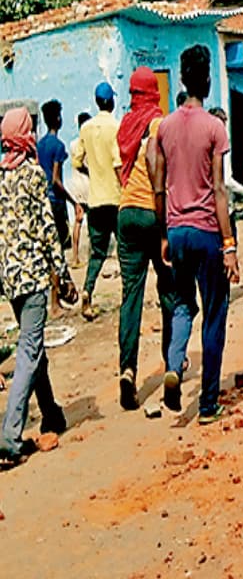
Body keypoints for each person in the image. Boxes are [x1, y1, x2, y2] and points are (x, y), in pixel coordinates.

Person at [152, 45, 240, 426]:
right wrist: (230, 244)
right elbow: (219, 189)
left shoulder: (165, 128)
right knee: (215, 313)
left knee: (184, 305)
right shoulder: (214, 127)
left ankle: (174, 364)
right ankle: (206, 404)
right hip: (207, 231)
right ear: (206, 79)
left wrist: (164, 235)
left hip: (176, 228)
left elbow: (158, 185)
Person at [0, 108, 77, 467]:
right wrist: (63, 276)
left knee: (34, 347)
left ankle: (52, 413)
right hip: (32, 278)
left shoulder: (0, 176)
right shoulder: (31, 175)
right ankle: (9, 436)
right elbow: (48, 230)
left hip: (10, 278)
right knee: (29, 352)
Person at [114, 68, 180, 411]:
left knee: (131, 296)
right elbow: (161, 173)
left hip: (125, 213)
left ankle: (127, 370)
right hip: (152, 213)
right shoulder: (158, 124)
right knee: (168, 290)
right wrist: (168, 226)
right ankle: (172, 364)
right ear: (154, 92)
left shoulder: (126, 125)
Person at [71, 81, 122, 321]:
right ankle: (128, 295)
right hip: (115, 196)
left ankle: (87, 291)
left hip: (95, 199)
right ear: (111, 101)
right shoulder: (115, 127)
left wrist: (92, 172)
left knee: (97, 253)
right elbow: (118, 163)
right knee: (125, 248)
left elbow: (76, 160)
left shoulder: (86, 129)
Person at [36, 100, 71, 251]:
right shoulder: (58, 146)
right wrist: (73, 201)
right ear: (58, 119)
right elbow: (56, 179)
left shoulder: (39, 145)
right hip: (56, 201)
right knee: (62, 243)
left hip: (42, 197)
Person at [66, 112, 92, 267]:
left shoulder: (73, 144)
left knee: (77, 221)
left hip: (76, 186)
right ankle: (90, 254)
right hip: (89, 185)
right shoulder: (88, 144)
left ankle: (75, 256)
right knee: (92, 223)